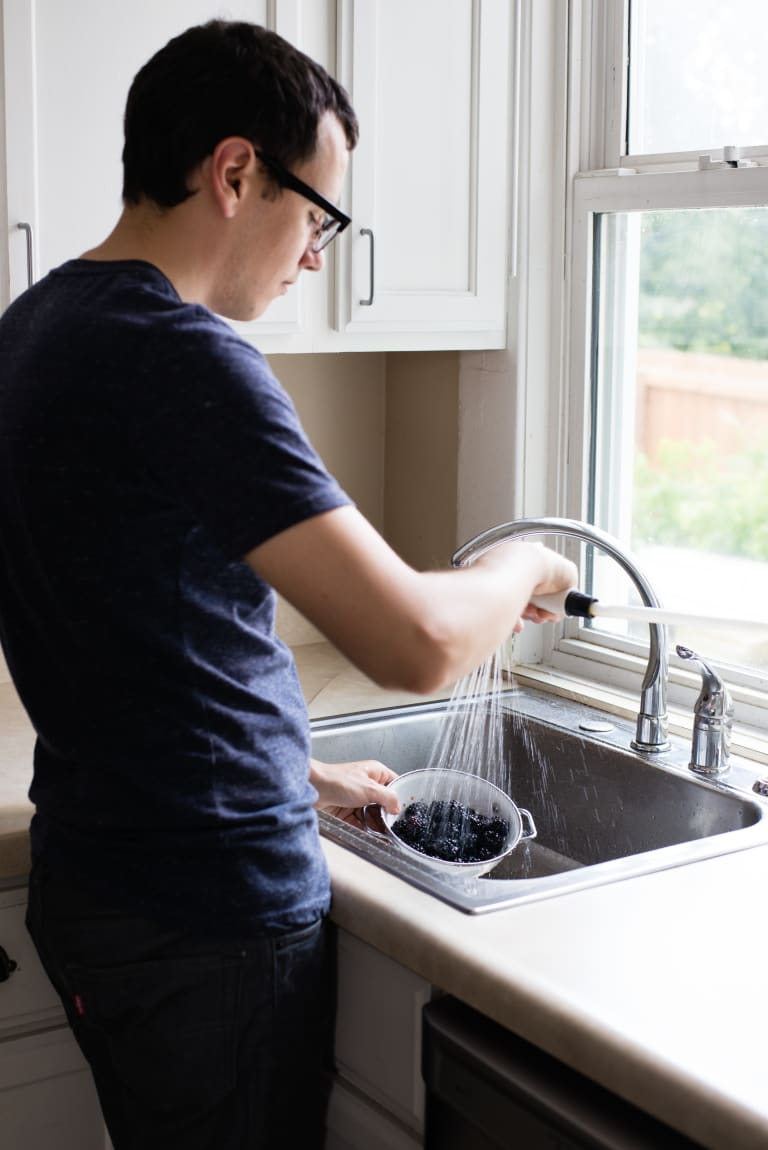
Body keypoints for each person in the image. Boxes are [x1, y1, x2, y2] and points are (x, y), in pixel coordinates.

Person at [0, 19, 578, 1150]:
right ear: (234, 172)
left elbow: (121, 628)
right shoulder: (187, 359)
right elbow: (415, 640)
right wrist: (522, 566)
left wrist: (287, 768)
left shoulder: (39, 325)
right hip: (203, 916)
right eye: (319, 214)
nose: (317, 254)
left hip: (105, 873)